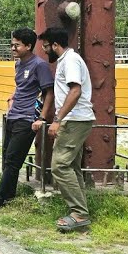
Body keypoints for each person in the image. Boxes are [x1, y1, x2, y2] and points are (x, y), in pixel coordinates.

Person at [0, 27, 52, 214]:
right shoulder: (19, 64)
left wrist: (41, 118)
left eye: (17, 45)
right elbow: (22, 87)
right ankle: (9, 194)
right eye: (12, 44)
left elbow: (48, 93)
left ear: (29, 46)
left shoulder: (39, 65)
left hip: (27, 118)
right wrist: (13, 97)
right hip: (13, 115)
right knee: (7, 157)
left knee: (14, 159)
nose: (13, 48)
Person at [37, 26, 95, 233]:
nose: (44, 51)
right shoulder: (67, 60)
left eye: (46, 46)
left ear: (55, 45)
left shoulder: (70, 60)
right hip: (76, 119)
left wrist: (58, 119)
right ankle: (81, 211)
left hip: (74, 120)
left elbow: (76, 90)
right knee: (72, 167)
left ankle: (79, 213)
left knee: (60, 165)